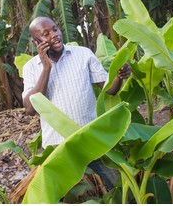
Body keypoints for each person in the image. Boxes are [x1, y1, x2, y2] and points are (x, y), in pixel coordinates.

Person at [22, 16, 131, 188]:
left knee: (119, 187)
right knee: (63, 197)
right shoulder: (31, 67)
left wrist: (119, 77)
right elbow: (29, 108)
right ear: (36, 42)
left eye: (55, 29)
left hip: (90, 139)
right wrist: (46, 68)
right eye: (46, 34)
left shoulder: (83, 54)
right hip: (57, 146)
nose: (54, 35)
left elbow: (109, 90)